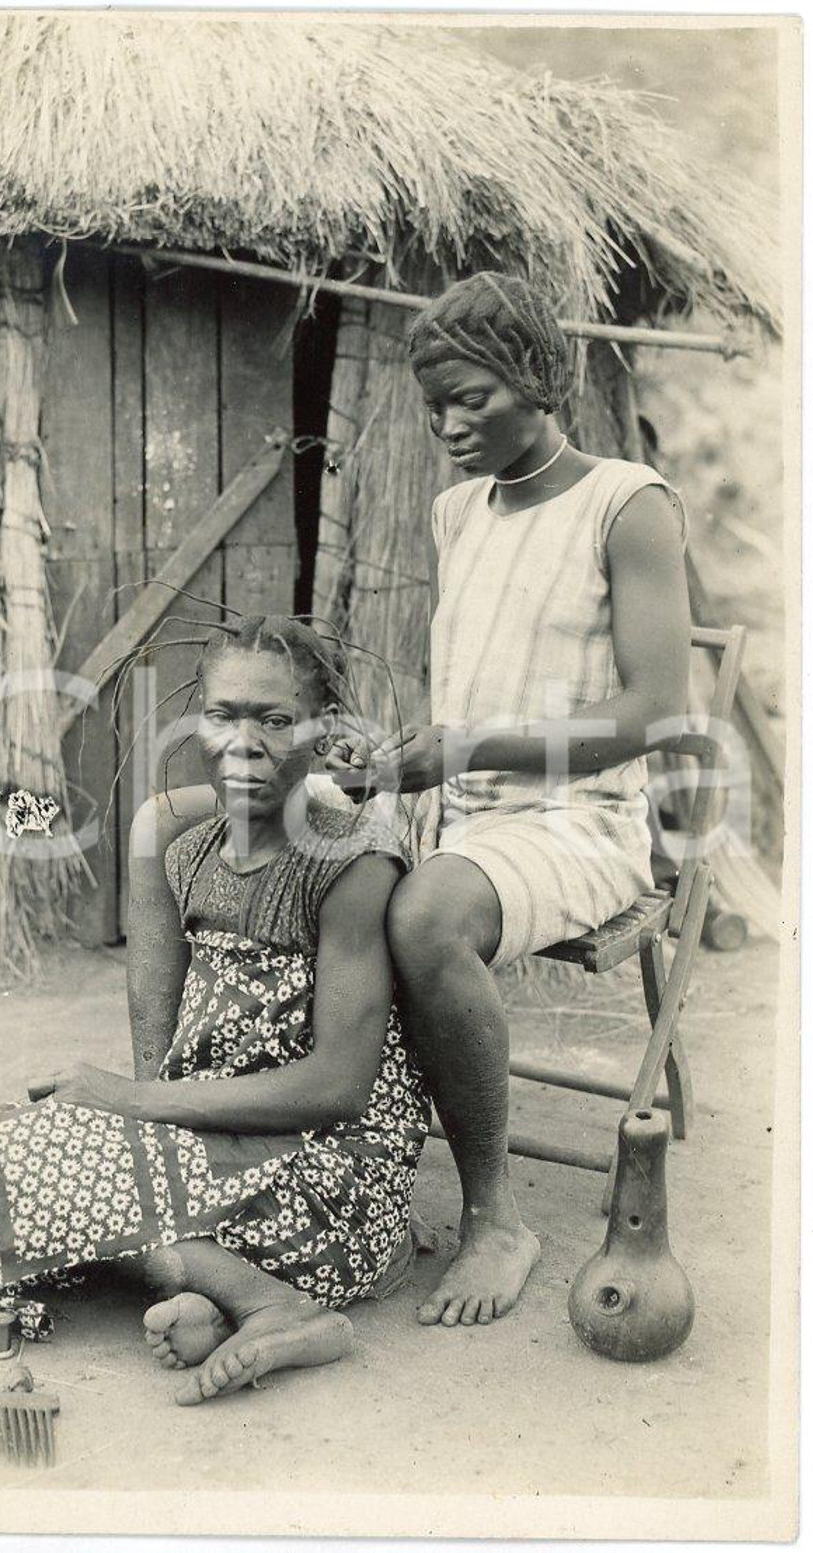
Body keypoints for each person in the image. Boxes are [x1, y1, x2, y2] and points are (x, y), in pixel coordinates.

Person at [0, 617, 429, 1405]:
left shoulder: (350, 864)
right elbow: (174, 1057)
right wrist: (126, 1129)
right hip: (217, 1151)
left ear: (322, 732)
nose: (245, 742)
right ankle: (221, 1292)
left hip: (327, 1178)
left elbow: (339, 1086)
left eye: (275, 720)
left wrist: (128, 1104)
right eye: (224, 715)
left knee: (42, 1176)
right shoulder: (188, 856)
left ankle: (278, 1303)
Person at [327, 272, 692, 1329]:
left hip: (580, 820)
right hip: (460, 809)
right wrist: (399, 755)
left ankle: (495, 1214)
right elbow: (479, 671)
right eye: (431, 403)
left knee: (425, 913)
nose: (445, 425)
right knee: (277, 852)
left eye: (470, 398)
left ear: (537, 377)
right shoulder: (456, 511)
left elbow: (657, 710)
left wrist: (476, 746)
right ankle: (322, 1169)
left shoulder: (628, 503)